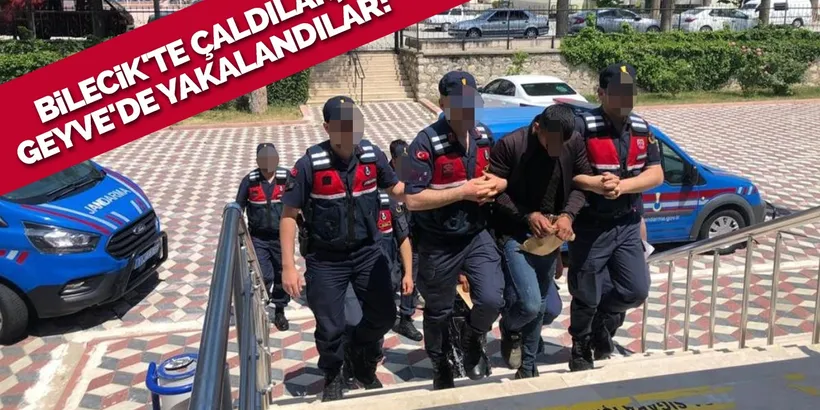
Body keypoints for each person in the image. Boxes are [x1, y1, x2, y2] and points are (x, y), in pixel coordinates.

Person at [279, 96, 405, 401]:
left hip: (367, 252)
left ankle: (360, 351)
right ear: (327, 127)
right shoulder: (309, 165)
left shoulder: (372, 156)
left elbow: (399, 189)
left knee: (385, 315)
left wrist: (441, 189)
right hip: (325, 259)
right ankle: (333, 374)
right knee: (330, 326)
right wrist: (288, 266)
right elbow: (288, 214)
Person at [403, 71, 506, 389]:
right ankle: (441, 364)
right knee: (438, 311)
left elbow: (497, 175)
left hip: (475, 234)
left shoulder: (484, 135)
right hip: (438, 241)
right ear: (443, 104)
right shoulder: (424, 143)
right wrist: (463, 192)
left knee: (491, 299)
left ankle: (473, 336)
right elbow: (412, 199)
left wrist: (497, 184)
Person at [567, 63, 664, 372]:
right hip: (591, 225)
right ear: (601, 93)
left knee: (636, 290)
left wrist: (623, 187)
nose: (625, 98)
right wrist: (594, 183)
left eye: (630, 92)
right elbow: (566, 172)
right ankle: (580, 346)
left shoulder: (641, 128)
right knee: (586, 293)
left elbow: (656, 173)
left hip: (627, 223)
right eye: (618, 92)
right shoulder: (582, 127)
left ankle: (602, 323)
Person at [489, 104, 593, 379]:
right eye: (551, 143)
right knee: (531, 304)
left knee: (544, 307)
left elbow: (581, 184)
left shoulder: (574, 141)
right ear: (538, 128)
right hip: (514, 234)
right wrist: (527, 216)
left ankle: (528, 366)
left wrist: (568, 215)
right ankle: (511, 329)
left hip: (549, 238)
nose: (556, 150)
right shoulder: (511, 145)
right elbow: (494, 193)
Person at [341, 189, 415, 387]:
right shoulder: (345, 201)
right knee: (353, 320)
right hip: (350, 276)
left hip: (383, 276)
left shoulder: (388, 202)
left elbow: (403, 239)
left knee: (378, 325)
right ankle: (349, 364)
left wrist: (408, 273)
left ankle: (368, 369)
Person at [236, 143, 291, 331]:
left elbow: (299, 202)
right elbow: (238, 206)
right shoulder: (250, 181)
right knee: (264, 274)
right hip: (258, 238)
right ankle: (259, 308)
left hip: (281, 236)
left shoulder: (286, 178)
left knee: (281, 274)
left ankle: (280, 310)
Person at [388, 139, 423, 341]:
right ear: (393, 160)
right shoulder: (386, 179)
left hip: (411, 237)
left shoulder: (413, 176)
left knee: (411, 275)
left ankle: (406, 318)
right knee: (391, 278)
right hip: (390, 238)